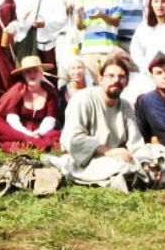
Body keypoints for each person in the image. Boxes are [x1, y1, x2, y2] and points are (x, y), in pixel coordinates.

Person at [54, 55, 145, 187]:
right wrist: (106, 151)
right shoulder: (83, 99)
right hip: (86, 159)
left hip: (119, 157)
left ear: (126, 82)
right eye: (110, 76)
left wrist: (143, 159)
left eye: (121, 77)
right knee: (121, 168)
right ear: (100, 78)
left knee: (159, 153)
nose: (116, 80)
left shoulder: (125, 106)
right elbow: (72, 140)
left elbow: (136, 143)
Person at [0, 55, 61, 152]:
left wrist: (39, 132)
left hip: (41, 131)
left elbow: (50, 119)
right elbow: (12, 119)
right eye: (28, 72)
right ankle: (38, 144)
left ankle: (27, 145)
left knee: (55, 134)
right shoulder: (18, 90)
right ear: (23, 75)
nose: (32, 74)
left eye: (35, 71)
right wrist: (27, 135)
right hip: (20, 131)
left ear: (41, 73)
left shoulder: (50, 92)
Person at [9, 0, 68, 72]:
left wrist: (45, 23)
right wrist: (24, 20)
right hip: (24, 45)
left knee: (49, 80)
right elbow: (12, 21)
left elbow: (62, 19)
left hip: (47, 45)